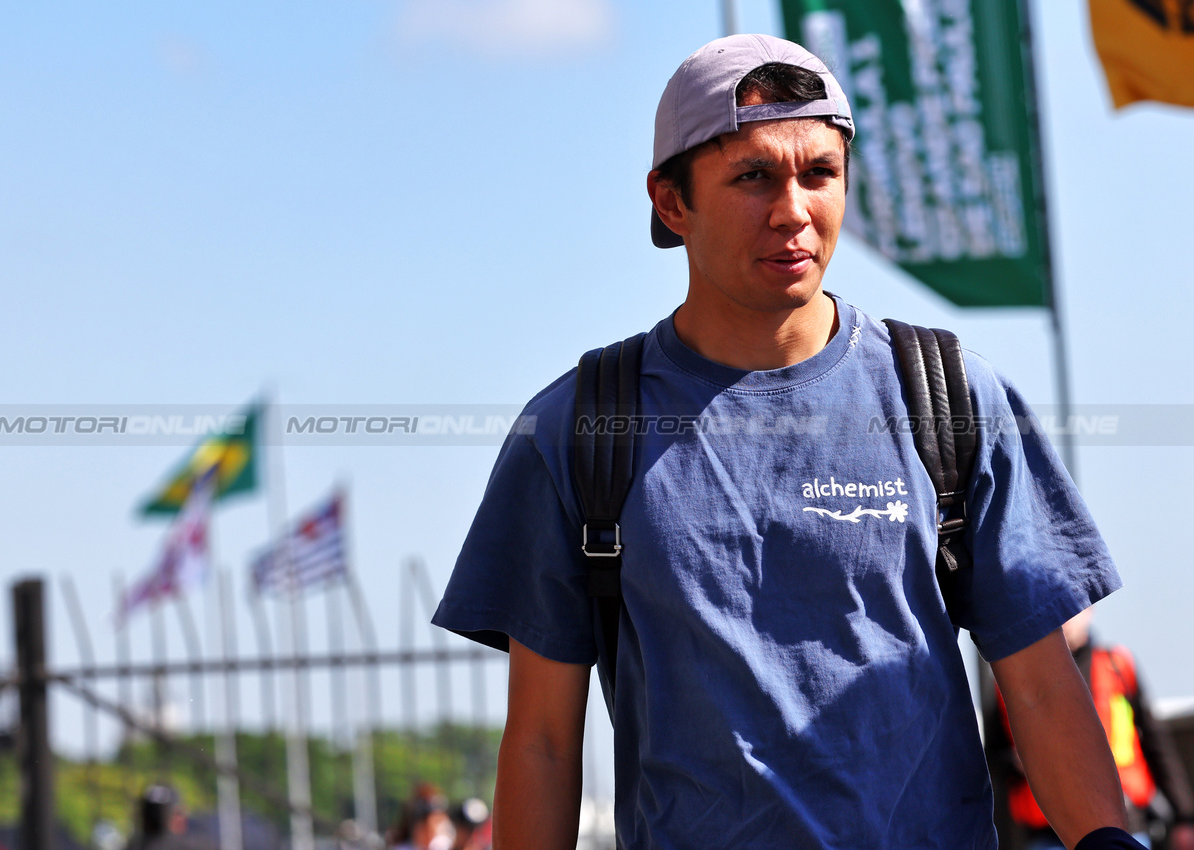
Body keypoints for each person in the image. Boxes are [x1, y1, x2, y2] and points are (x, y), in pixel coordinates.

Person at [433, 33, 1141, 850]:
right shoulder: (575, 430)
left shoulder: (950, 399)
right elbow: (543, 741)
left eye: (819, 173)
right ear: (670, 202)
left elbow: (1045, 690)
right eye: (752, 176)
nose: (793, 209)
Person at [990, 608, 1194, 849]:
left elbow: (1157, 743)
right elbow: (991, 754)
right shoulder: (1014, 681)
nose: (1064, 620)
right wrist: (1016, 762)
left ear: (1090, 611)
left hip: (1126, 826)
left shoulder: (1117, 665)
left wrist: (1184, 817)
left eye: (1071, 610)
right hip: (1048, 835)